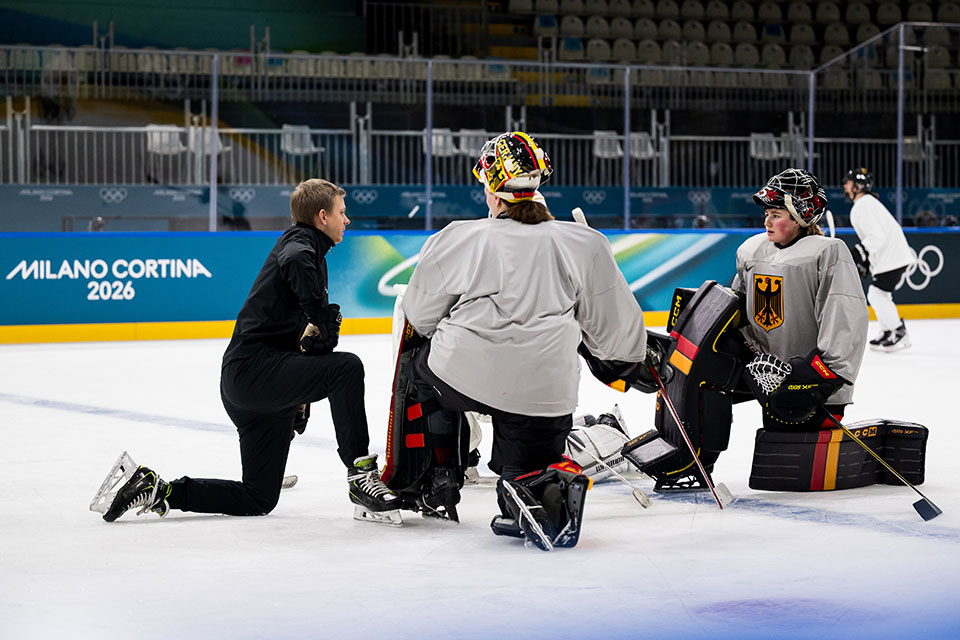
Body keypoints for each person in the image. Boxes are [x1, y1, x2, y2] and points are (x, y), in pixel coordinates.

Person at [396, 131, 653, 550]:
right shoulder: (585, 243)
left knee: (418, 369)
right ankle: (539, 487)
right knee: (528, 467)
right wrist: (619, 362)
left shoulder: (459, 237)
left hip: (463, 377)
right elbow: (619, 337)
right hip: (545, 391)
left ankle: (436, 475)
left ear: (491, 188)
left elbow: (420, 316)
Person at [94, 178, 401, 525]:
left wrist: (300, 389)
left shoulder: (309, 248)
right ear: (322, 217)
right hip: (253, 372)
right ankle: (360, 475)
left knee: (259, 497)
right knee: (346, 368)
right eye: (341, 212)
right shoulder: (301, 245)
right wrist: (318, 312)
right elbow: (295, 260)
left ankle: (159, 490)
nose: (347, 220)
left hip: (248, 384)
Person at [734, 168, 868, 430]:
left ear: (800, 217)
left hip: (816, 389)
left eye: (776, 215)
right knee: (776, 448)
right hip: (770, 380)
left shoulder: (827, 253)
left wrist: (824, 375)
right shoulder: (752, 251)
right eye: (766, 214)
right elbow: (740, 310)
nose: (767, 222)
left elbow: (843, 319)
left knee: (803, 453)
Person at [843, 167, 915, 352]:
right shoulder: (867, 203)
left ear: (858, 186)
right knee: (881, 295)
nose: (845, 186)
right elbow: (876, 236)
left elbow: (877, 237)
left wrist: (857, 254)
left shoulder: (863, 205)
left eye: (849, 183)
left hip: (892, 257)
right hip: (891, 256)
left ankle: (898, 332)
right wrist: (867, 262)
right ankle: (888, 330)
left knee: (877, 294)